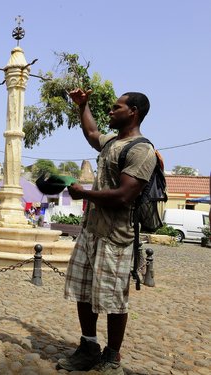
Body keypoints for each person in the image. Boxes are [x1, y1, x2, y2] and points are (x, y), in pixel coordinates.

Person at [57, 89, 156, 374]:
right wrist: (82, 105)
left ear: (133, 112)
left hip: (116, 237)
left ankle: (112, 358)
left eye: (117, 107)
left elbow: (125, 195)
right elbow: (91, 134)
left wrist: (85, 194)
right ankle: (89, 347)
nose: (111, 111)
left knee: (113, 299)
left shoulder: (141, 150)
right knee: (83, 292)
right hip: (91, 232)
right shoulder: (113, 142)